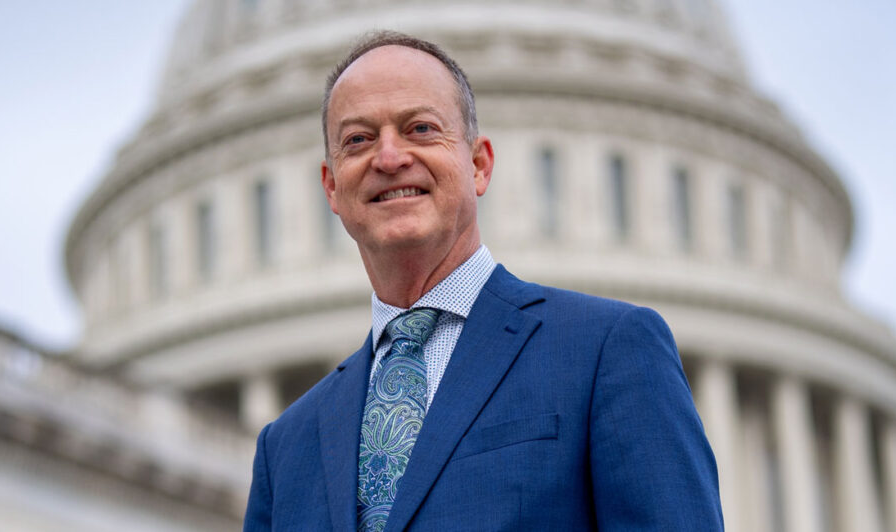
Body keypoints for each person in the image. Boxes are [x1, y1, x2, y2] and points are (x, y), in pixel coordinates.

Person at [243, 31, 723, 531]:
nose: (389, 158)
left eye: (420, 129)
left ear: (478, 165)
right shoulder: (284, 449)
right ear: (331, 187)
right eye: (358, 140)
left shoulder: (607, 351)